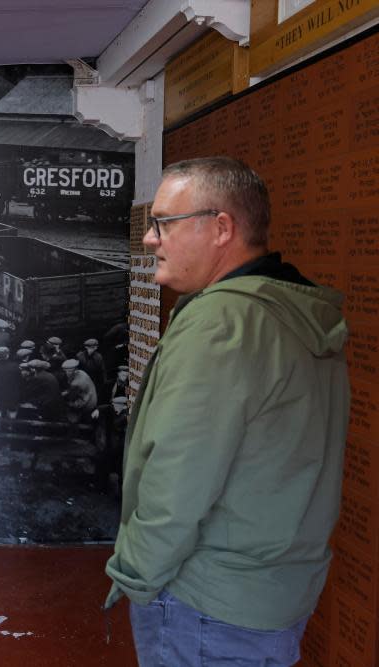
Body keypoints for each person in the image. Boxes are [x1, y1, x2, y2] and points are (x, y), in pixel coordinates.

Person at [103, 157, 350, 667]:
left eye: (163, 223)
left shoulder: (220, 323)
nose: (150, 239)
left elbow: (178, 479)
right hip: (271, 595)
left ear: (221, 228)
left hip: (203, 604)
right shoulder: (296, 313)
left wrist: (133, 574)